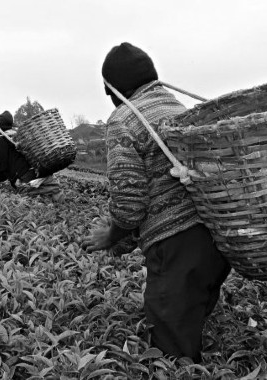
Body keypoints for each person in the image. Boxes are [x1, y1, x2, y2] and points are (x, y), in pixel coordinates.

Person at [81, 42, 231, 362]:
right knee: (194, 312)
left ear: (112, 89)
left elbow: (130, 203)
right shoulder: (182, 110)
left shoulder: (124, 119)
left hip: (176, 244)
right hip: (217, 237)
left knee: (170, 347)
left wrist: (111, 236)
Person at [0, 110, 64, 202]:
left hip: (24, 177)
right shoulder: (17, 137)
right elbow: (6, 172)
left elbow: (2, 167)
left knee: (23, 194)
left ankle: (49, 190)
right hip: (36, 172)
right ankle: (52, 188)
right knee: (49, 189)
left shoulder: (2, 140)